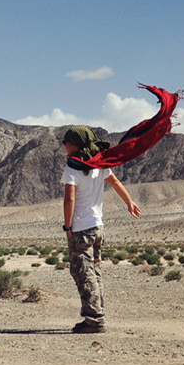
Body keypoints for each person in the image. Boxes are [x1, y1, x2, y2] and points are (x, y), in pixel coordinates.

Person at [61, 125, 141, 333]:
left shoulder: (73, 168)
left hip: (81, 229)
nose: (64, 146)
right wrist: (129, 202)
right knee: (94, 271)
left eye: (67, 142)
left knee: (83, 273)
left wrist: (68, 225)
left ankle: (94, 319)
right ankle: (97, 313)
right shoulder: (99, 164)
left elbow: (69, 199)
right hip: (98, 227)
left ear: (75, 145)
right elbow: (114, 182)